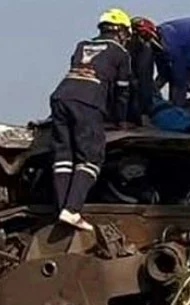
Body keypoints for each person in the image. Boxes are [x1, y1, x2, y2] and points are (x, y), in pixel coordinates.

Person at [50, 9, 134, 232]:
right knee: (91, 157)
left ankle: (62, 209)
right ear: (121, 32)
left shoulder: (82, 45)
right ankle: (72, 210)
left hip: (61, 96)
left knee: (63, 156)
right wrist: (120, 121)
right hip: (87, 102)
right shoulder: (121, 53)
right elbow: (121, 92)